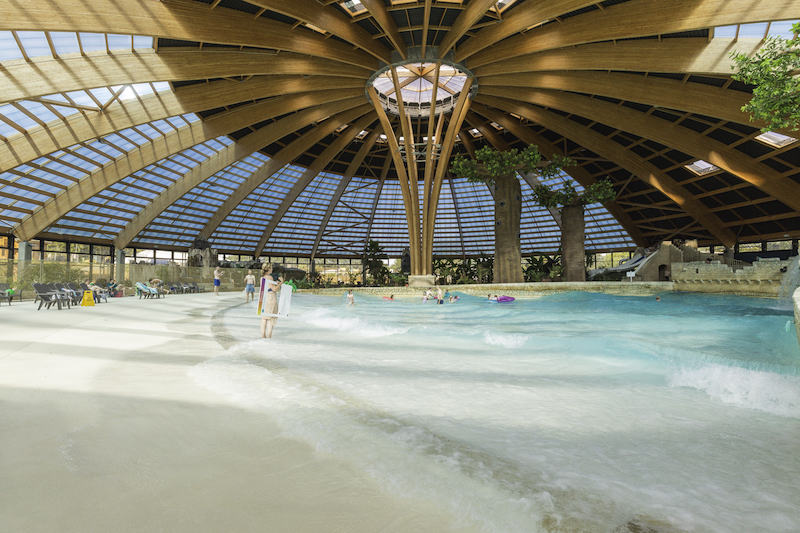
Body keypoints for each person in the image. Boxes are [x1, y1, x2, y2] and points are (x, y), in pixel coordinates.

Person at [260, 264, 284, 339]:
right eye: (271, 268)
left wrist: (275, 283)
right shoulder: (269, 277)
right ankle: (269, 337)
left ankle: (263, 336)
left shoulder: (262, 278)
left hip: (264, 298)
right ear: (269, 269)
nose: (272, 269)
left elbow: (267, 287)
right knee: (271, 318)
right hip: (270, 298)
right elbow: (274, 289)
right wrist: (280, 283)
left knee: (264, 318)